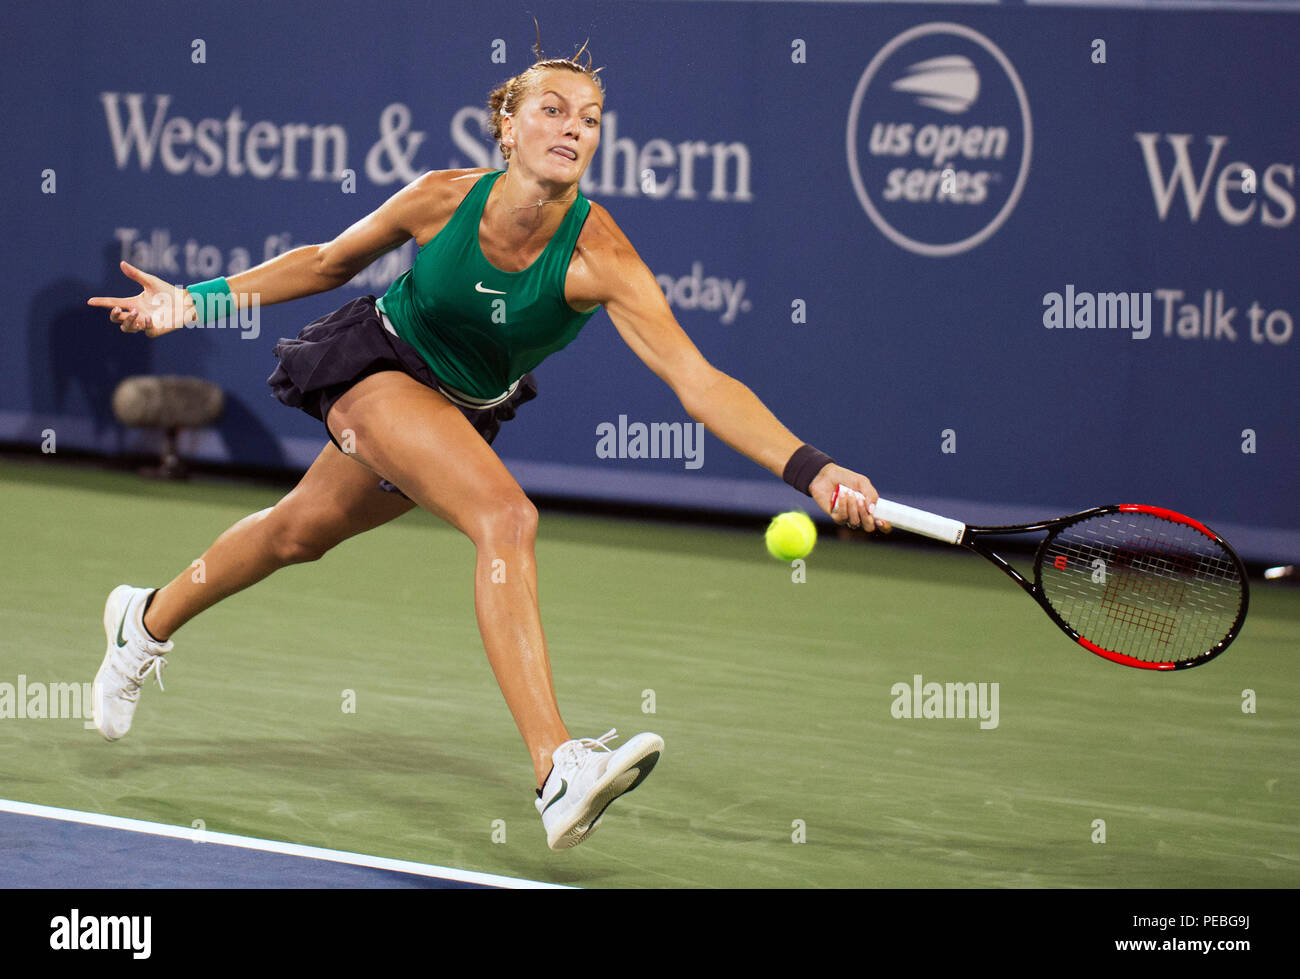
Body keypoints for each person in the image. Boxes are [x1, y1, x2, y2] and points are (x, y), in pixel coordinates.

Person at [86, 47, 889, 851]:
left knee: (298, 531)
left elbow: (700, 382)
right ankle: (555, 768)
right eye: (552, 110)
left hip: (461, 408)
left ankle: (144, 619)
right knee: (507, 517)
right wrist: (194, 302)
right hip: (378, 367)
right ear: (507, 128)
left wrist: (810, 468)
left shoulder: (598, 257)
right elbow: (328, 264)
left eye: (589, 121)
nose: (571, 129)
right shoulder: (442, 199)